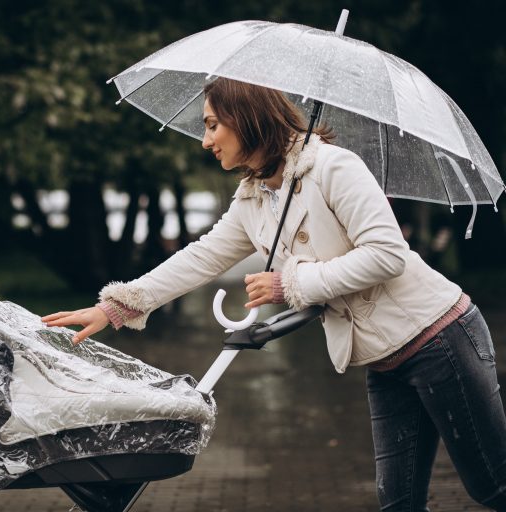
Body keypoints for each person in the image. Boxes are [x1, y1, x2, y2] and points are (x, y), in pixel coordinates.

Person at [41, 77, 506, 511]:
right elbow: (200, 257)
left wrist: (292, 284)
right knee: (398, 501)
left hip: (439, 338)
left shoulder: (333, 167)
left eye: (212, 125)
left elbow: (387, 254)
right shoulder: (255, 197)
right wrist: (116, 306)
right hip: (385, 360)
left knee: (490, 483)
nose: (205, 140)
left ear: (246, 119)